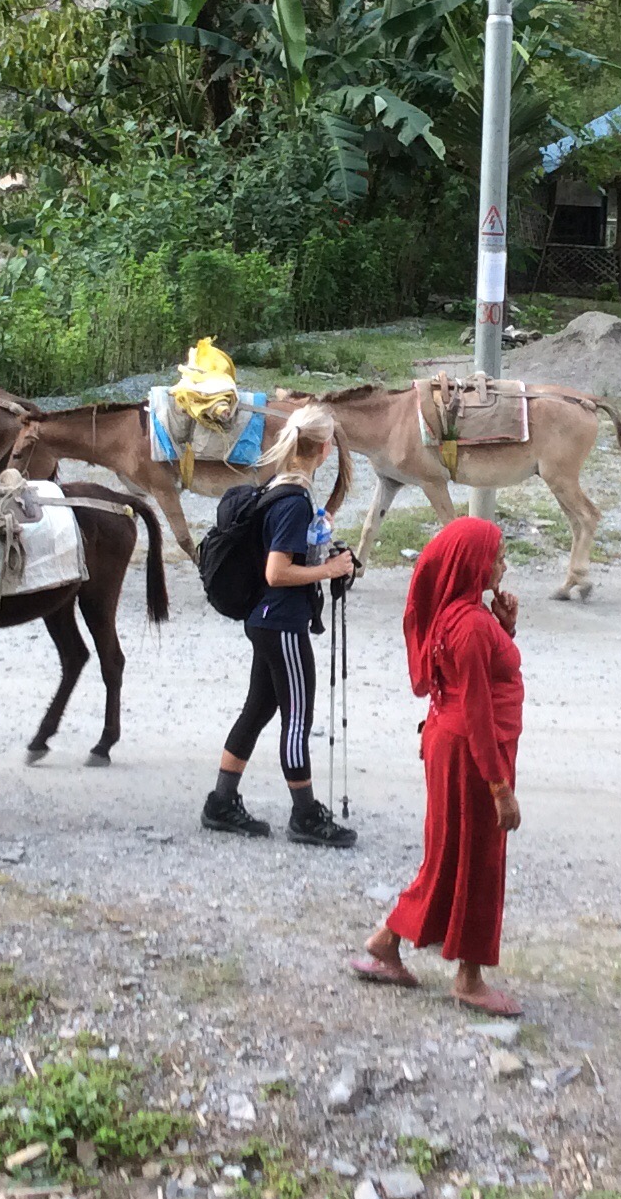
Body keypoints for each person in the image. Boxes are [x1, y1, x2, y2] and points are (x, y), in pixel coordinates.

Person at [350, 514, 525, 1015]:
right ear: (473, 564)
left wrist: (505, 628)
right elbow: (477, 712)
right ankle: (469, 978)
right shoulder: (470, 626)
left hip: (455, 747)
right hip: (474, 754)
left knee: (449, 855)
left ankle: (387, 943)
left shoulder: (458, 615)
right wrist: (499, 787)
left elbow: (468, 680)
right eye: (497, 558)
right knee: (478, 861)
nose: (503, 566)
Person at [203, 405, 360, 847]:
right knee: (297, 719)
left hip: (264, 620)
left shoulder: (280, 486)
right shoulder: (293, 500)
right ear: (324, 449)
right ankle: (305, 815)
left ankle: (221, 802)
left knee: (258, 710)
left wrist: (323, 554)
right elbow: (276, 572)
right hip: (282, 624)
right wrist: (330, 571)